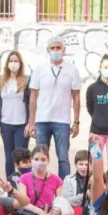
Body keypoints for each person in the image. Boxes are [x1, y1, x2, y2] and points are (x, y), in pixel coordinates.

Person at [27, 39, 82, 177]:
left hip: (62, 121)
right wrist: (31, 122)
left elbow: (76, 97)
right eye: (53, 48)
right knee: (40, 157)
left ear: (64, 50)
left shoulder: (72, 70)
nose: (56, 50)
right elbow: (33, 96)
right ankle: (39, 185)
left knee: (63, 157)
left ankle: (65, 188)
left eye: (59, 48)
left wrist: (76, 122)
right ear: (48, 50)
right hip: (42, 120)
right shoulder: (40, 70)